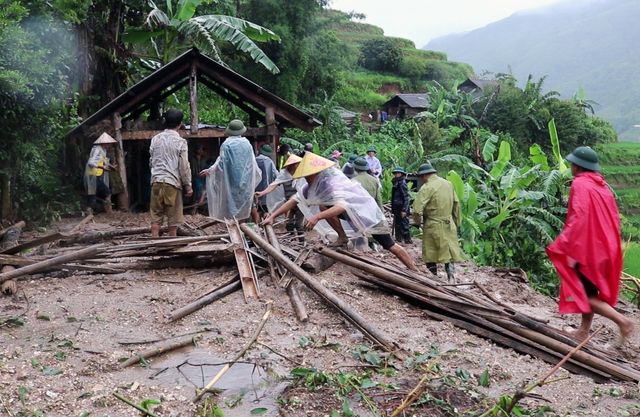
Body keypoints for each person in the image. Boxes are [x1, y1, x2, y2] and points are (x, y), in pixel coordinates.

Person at [262, 152, 418, 271]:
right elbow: (293, 200)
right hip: (349, 215)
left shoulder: (332, 183)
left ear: (316, 173)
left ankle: (414, 270)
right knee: (323, 206)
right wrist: (273, 216)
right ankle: (342, 237)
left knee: (389, 245)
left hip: (365, 214)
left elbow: (342, 206)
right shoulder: (310, 187)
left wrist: (317, 217)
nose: (307, 179)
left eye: (308, 176)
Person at [546, 146, 634, 344]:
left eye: (572, 164)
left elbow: (579, 216)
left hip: (587, 249)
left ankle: (623, 322)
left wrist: (566, 245)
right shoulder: (601, 187)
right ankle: (583, 331)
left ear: (577, 166)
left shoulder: (580, 185)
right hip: (604, 248)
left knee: (584, 295)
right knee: (589, 290)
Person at [199, 119, 261, 221]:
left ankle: (235, 227)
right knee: (246, 202)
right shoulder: (247, 144)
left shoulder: (227, 144)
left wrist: (210, 171)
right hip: (245, 180)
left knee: (232, 203)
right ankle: (245, 227)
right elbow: (252, 163)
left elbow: (221, 163)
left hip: (231, 180)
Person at [412, 161, 463, 281]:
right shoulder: (448, 184)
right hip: (448, 223)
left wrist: (418, 223)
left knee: (430, 253)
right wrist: (456, 222)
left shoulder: (427, 187)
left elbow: (417, 210)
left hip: (433, 224)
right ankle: (451, 276)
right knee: (448, 252)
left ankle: (433, 277)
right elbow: (456, 205)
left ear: (424, 176)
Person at [149, 108, 193, 237]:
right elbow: (184, 166)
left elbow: (151, 161)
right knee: (173, 218)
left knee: (156, 216)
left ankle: (154, 242)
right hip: (172, 183)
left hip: (156, 182)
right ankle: (172, 245)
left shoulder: (155, 139)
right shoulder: (180, 142)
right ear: (180, 124)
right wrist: (188, 185)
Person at [255, 154, 306, 238]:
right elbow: (274, 184)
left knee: (298, 224)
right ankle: (292, 240)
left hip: (300, 202)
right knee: (289, 224)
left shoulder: (302, 174)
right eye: (296, 164)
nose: (297, 165)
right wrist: (262, 193)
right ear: (292, 165)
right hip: (289, 203)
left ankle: (302, 241)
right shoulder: (284, 174)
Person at [84, 132, 118, 214]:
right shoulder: (97, 150)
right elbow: (91, 163)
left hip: (95, 175)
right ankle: (108, 210)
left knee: (92, 193)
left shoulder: (103, 150)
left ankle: (91, 210)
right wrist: (102, 167)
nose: (109, 146)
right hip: (92, 175)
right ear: (104, 143)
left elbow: (103, 161)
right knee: (106, 192)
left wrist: (110, 167)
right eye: (108, 144)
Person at [255, 144, 278, 214]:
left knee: (256, 207)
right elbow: (276, 175)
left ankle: (257, 223)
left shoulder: (255, 160)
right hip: (266, 188)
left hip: (255, 188)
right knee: (265, 209)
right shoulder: (269, 161)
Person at [391, 167, 412, 244]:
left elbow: (406, 197)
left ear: (401, 174)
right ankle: (399, 239)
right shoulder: (396, 182)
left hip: (401, 207)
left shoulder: (402, 183)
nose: (396, 175)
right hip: (397, 207)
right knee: (398, 224)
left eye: (398, 173)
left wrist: (404, 210)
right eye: (395, 173)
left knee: (404, 224)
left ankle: (407, 240)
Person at [189, 144, 209, 213]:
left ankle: (198, 208)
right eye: (201, 149)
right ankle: (194, 209)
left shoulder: (203, 160)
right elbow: (193, 171)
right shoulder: (192, 159)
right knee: (199, 190)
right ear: (197, 150)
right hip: (196, 178)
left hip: (202, 178)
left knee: (203, 191)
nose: (202, 151)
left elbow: (205, 168)